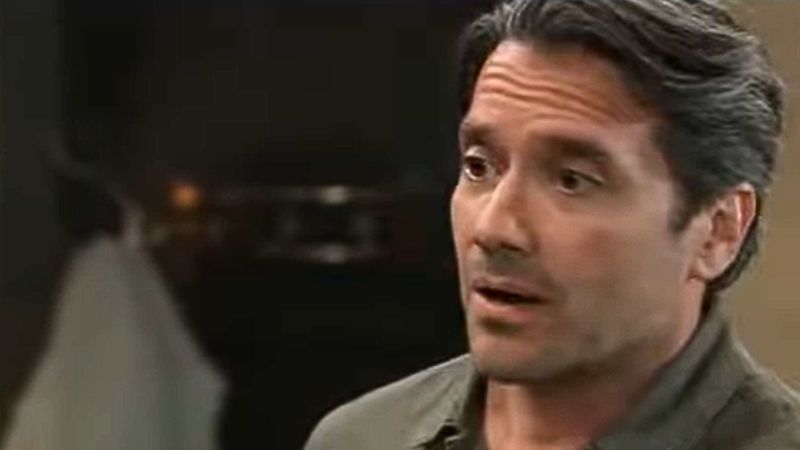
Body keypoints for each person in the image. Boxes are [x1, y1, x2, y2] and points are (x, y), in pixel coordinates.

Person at [304, 0, 800, 449]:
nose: (494, 228)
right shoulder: (362, 438)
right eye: (479, 167)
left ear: (717, 230)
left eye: (571, 181)